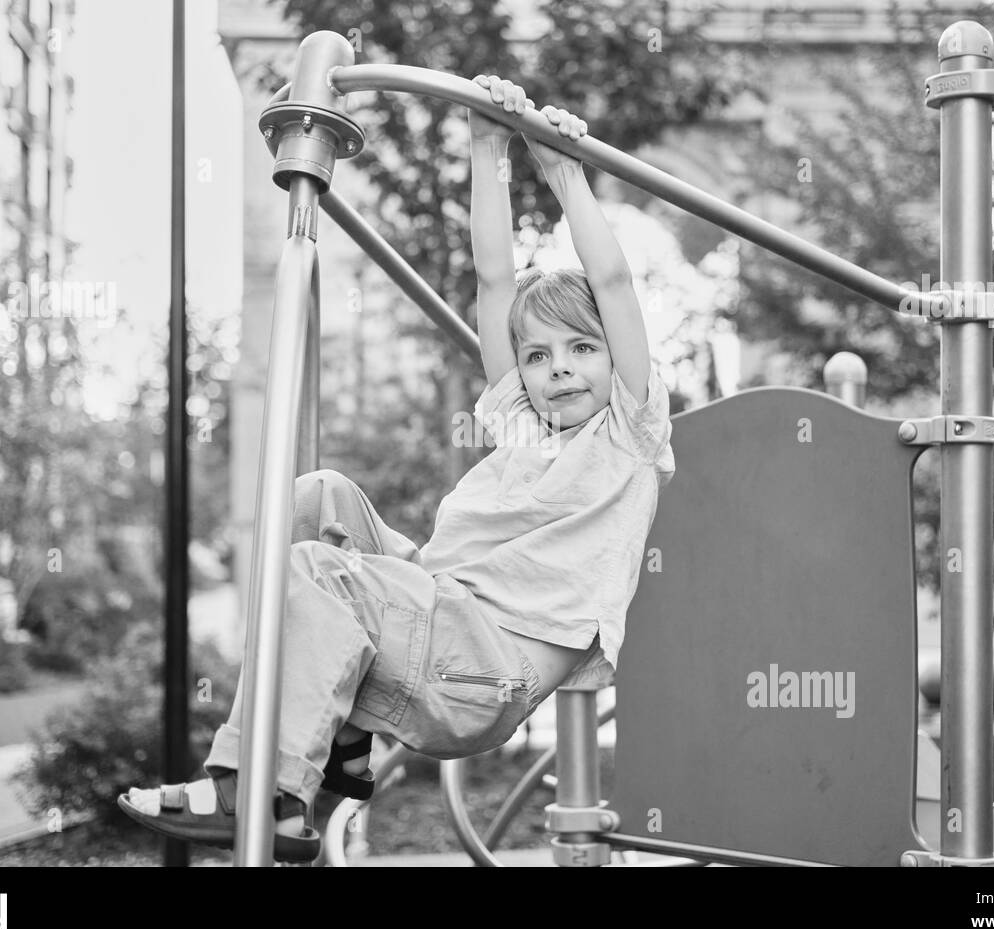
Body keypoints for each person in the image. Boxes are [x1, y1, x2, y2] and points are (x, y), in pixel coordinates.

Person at [118, 74, 675, 862]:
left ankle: (255, 789)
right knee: (319, 499)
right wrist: (489, 150)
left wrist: (562, 174)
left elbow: (612, 282)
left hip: (487, 665)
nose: (561, 370)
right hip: (443, 617)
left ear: (616, 357)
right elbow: (492, 280)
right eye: (540, 355)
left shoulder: (629, 428)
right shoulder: (523, 422)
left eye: (584, 348)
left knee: (322, 571)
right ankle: (341, 744)